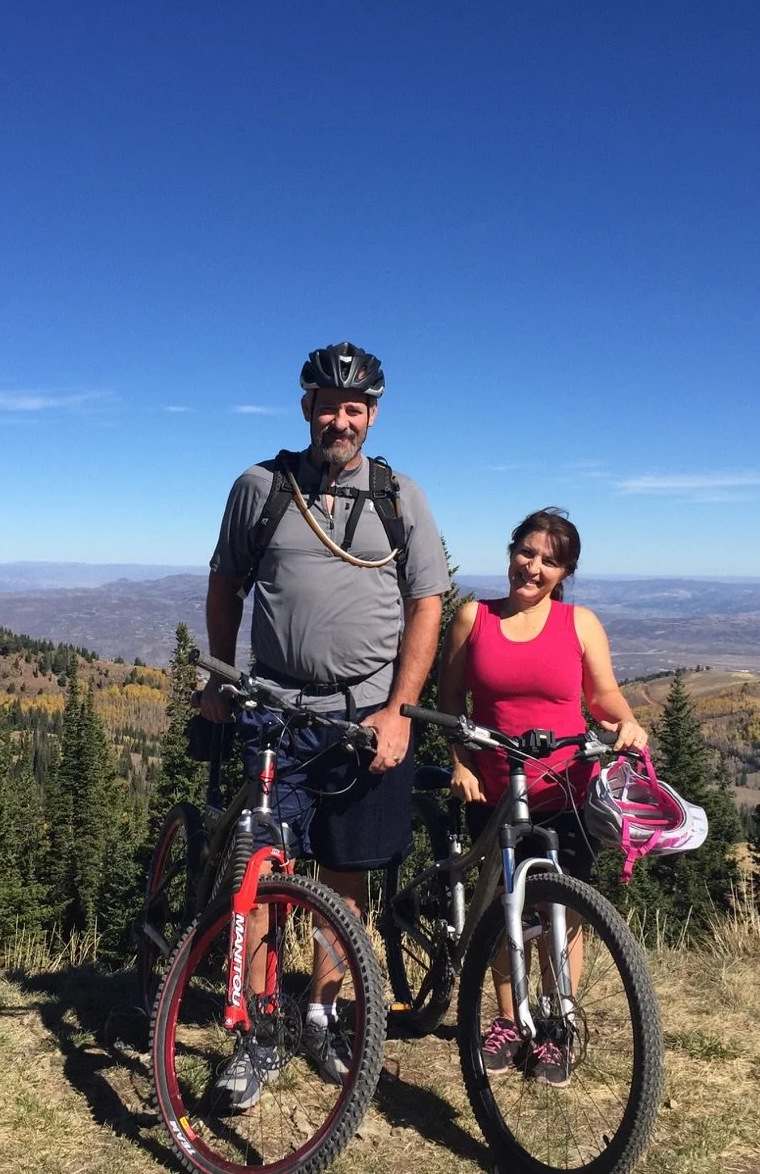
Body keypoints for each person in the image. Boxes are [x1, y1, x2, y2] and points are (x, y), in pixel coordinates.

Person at [201, 341, 449, 1108]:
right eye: (328, 403)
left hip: (367, 720)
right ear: (305, 406)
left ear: (372, 415)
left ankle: (323, 1011)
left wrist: (400, 713)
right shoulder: (261, 488)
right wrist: (224, 677)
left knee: (345, 880)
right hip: (277, 711)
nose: (340, 418)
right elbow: (224, 583)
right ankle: (259, 1034)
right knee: (266, 878)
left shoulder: (400, 497)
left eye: (355, 407)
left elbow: (427, 605)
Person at [436, 506, 647, 1087]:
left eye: (549, 561)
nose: (533, 567)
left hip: (566, 788)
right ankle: (508, 1020)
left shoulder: (579, 625)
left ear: (564, 572)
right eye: (526, 552)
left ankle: (557, 1025)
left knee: (563, 910)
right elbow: (450, 704)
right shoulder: (472, 617)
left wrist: (626, 724)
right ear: (511, 552)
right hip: (495, 790)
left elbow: (603, 696)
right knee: (509, 908)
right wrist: (459, 762)